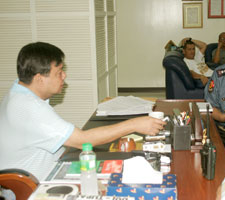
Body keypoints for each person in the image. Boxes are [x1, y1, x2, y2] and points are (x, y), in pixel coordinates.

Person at [0, 42, 166, 181]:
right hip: (36, 186)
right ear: (39, 79)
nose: (64, 76)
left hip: (52, 165)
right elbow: (82, 140)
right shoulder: (29, 107)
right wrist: (134, 124)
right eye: (58, 72)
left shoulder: (19, 90)